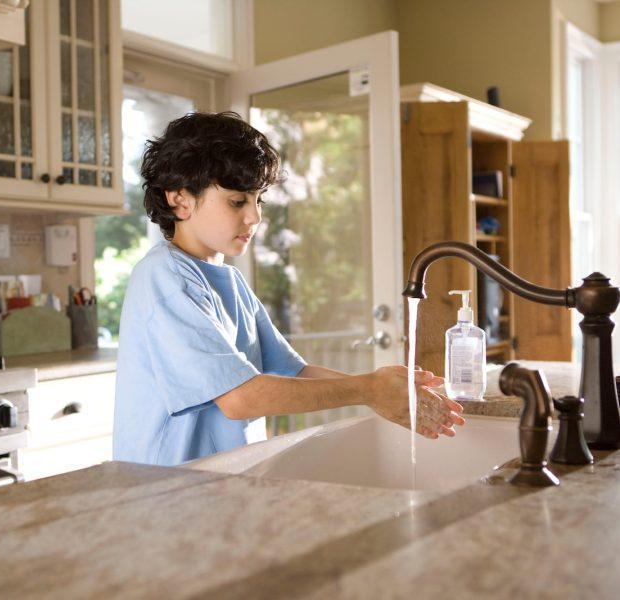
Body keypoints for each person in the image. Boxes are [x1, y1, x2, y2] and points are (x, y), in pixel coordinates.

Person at [113, 111, 465, 467]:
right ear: (180, 200)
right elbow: (239, 399)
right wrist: (367, 389)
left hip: (221, 480)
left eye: (258, 200)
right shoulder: (165, 279)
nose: (254, 217)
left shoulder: (228, 281)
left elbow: (292, 371)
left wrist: (382, 391)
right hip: (168, 493)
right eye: (238, 202)